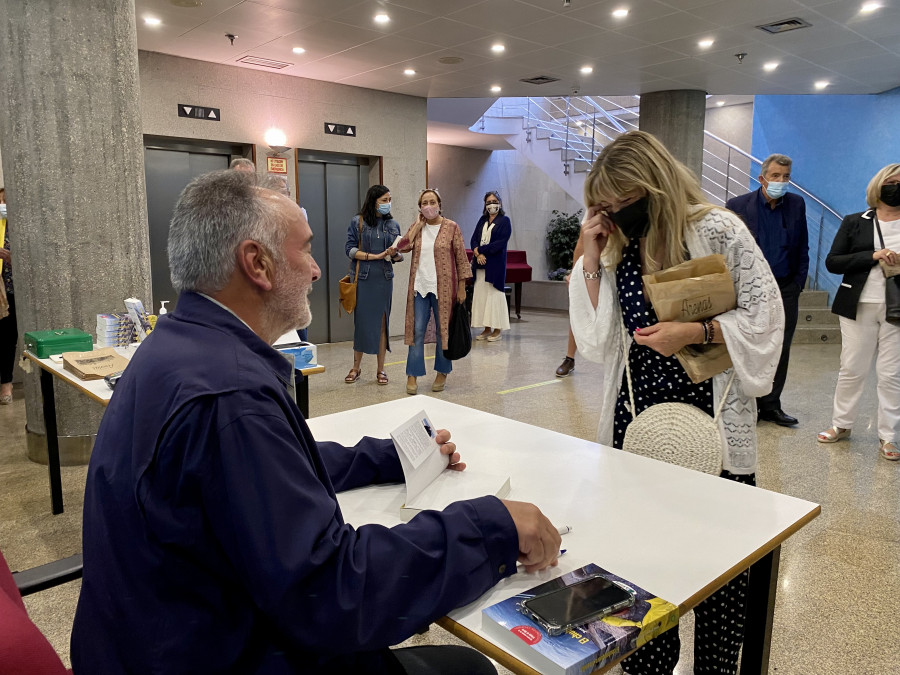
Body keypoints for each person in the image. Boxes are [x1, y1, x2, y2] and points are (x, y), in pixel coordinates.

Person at [70, 170, 562, 674]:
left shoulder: (178, 349)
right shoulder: (231, 398)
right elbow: (333, 593)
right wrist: (490, 527)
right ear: (257, 263)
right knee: (473, 669)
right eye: (304, 250)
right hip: (218, 654)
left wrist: (385, 457)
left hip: (157, 641)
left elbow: (265, 473)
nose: (316, 270)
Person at [569, 131, 784, 675]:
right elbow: (596, 341)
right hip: (637, 424)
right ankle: (648, 666)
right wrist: (591, 253)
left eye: (624, 203)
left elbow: (766, 318)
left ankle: (714, 667)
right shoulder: (617, 246)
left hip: (710, 427)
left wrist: (697, 330)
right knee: (639, 571)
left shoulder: (716, 230)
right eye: (606, 206)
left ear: (654, 187)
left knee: (719, 573)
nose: (617, 215)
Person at [818, 164, 900, 461]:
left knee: (892, 374)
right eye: (893, 181)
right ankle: (842, 424)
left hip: (897, 308)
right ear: (879, 185)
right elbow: (833, 262)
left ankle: (888, 436)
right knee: (852, 367)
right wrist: (873, 256)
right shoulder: (855, 221)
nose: (897, 186)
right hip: (858, 305)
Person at [726, 153, 808, 427]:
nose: (781, 182)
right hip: (748, 289)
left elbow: (803, 247)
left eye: (786, 177)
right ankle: (744, 403)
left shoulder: (796, 204)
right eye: (775, 176)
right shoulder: (738, 205)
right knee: (747, 344)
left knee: (781, 347)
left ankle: (771, 406)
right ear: (762, 178)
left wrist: (798, 283)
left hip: (785, 287)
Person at [398, 189, 471, 395]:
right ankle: (412, 374)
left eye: (432, 202)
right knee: (417, 330)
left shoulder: (451, 227)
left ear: (439, 204)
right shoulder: (418, 227)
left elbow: (461, 259)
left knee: (443, 331)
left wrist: (462, 287)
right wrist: (417, 226)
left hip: (445, 289)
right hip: (419, 286)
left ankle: (442, 371)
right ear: (420, 207)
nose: (428, 206)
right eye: (424, 203)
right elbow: (402, 247)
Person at [344, 185, 402, 385]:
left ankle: (381, 370)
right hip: (363, 279)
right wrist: (373, 256)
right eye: (384, 200)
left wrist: (394, 254)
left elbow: (399, 254)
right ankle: (356, 367)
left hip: (384, 279)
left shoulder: (393, 224)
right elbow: (349, 249)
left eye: (389, 199)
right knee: (361, 324)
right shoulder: (357, 222)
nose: (388, 203)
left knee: (382, 324)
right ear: (374, 201)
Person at [470, 191, 511, 342]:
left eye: (494, 201)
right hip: (480, 266)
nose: (491, 204)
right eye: (488, 202)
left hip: (495, 265)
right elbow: (474, 238)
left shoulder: (504, 221)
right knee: (482, 296)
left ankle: (497, 329)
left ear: (499, 203)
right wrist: (477, 252)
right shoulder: (482, 220)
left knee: (494, 296)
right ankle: (486, 328)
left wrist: (480, 250)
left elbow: (499, 243)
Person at [0, 186, 15, 405]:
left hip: (11, 292)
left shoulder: (18, 229)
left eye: (5, 202)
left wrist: (12, 258)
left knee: (7, 339)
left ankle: (7, 384)